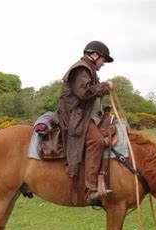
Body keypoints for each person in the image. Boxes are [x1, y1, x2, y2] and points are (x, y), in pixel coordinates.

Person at [57, 40, 114, 205]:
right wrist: (105, 87)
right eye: (103, 59)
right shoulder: (81, 68)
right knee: (96, 141)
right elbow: (85, 92)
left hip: (82, 114)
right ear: (94, 55)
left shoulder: (88, 70)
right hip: (75, 116)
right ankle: (91, 190)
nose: (103, 64)